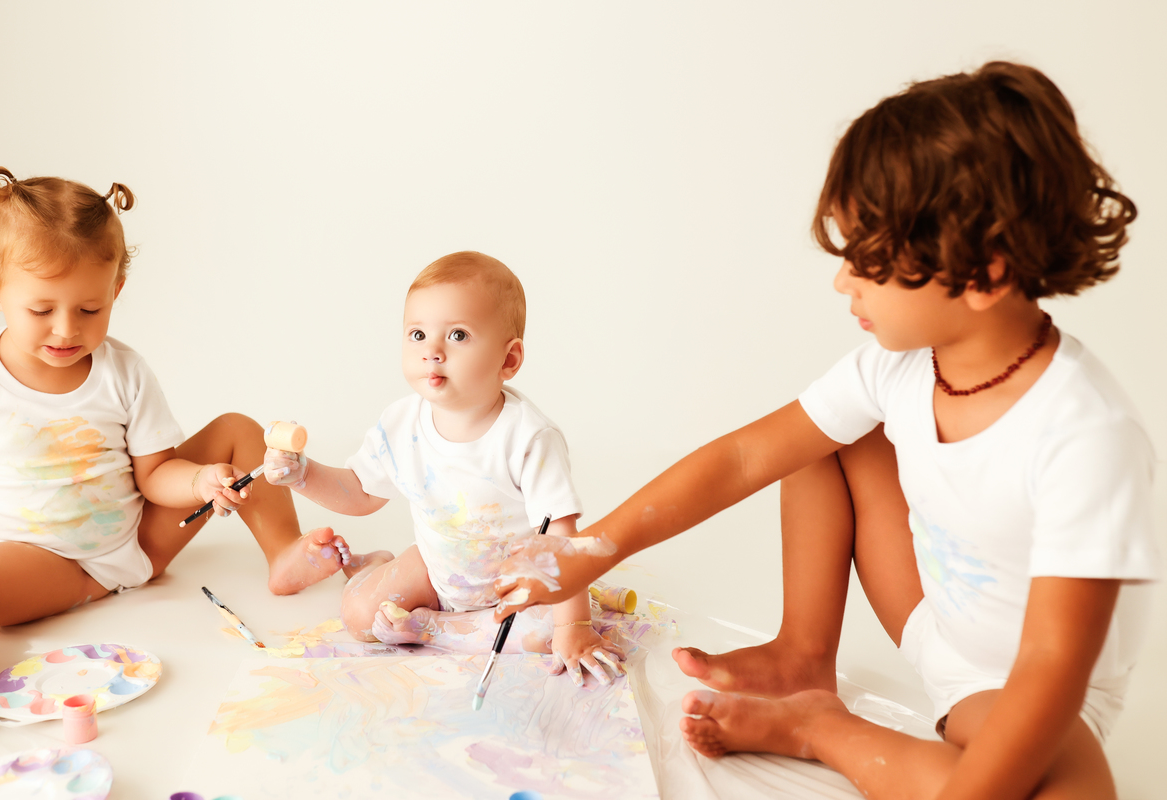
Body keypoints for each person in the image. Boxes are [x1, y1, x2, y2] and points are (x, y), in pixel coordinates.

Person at [492, 62, 1158, 799]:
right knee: (824, 435)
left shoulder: (1087, 436)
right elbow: (746, 456)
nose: (843, 281)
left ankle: (820, 729)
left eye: (867, 260)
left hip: (1032, 690)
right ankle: (803, 658)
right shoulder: (897, 366)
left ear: (984, 275)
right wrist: (591, 549)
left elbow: (1050, 668)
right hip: (931, 619)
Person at [0, 167, 355, 690]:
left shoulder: (122, 372)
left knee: (238, 428)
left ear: (116, 289)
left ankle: (284, 551)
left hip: (143, 542)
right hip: (43, 561)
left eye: (90, 308)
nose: (66, 329)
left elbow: (154, 475)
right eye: (41, 309)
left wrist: (199, 481)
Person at [262, 251, 624, 686]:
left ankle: (435, 629)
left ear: (508, 360)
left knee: (550, 632)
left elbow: (561, 541)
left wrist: (574, 627)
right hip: (438, 571)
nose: (432, 351)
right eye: (417, 334)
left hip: (516, 590)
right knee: (359, 617)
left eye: (457, 335)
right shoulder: (401, 423)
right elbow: (360, 491)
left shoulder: (528, 438)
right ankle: (372, 566)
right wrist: (303, 475)